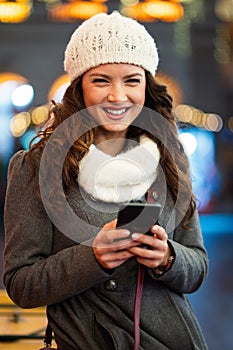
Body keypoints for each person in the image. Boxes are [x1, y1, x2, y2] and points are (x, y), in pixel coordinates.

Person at [3, 11, 209, 350]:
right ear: (79, 87)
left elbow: (198, 267)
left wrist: (167, 257)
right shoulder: (37, 167)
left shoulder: (169, 158)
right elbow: (21, 284)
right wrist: (93, 257)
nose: (118, 96)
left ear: (147, 85)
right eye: (101, 80)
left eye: (132, 80)